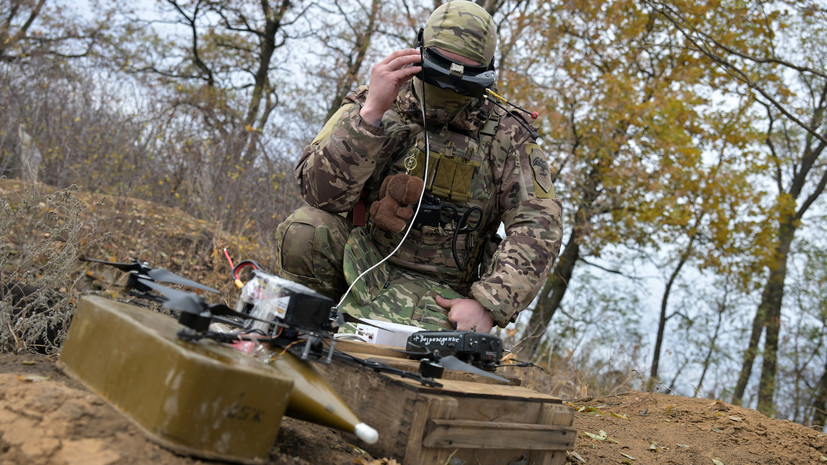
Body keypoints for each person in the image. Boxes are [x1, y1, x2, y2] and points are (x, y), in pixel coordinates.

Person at [275, 0, 562, 334]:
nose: (450, 84)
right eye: (443, 65)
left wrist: (487, 304)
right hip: (362, 263)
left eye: (467, 73)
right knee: (306, 229)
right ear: (420, 51)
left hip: (447, 295)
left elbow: (539, 225)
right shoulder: (378, 101)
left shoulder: (507, 134)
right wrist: (370, 115)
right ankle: (308, 331)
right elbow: (320, 196)